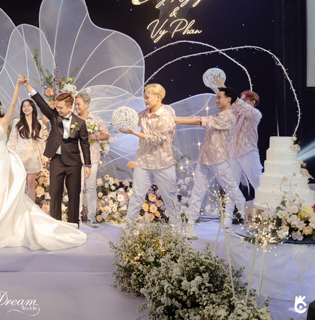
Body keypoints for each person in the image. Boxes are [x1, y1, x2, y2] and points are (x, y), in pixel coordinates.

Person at [0, 75, 86, 251]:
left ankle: (69, 224)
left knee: (17, 189)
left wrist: (19, 85)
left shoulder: (11, 120)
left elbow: (42, 138)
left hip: (21, 159)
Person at [175, 87, 246, 238]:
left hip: (218, 160)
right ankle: (190, 225)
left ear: (228, 99)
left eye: (219, 97)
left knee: (233, 190)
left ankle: (251, 221)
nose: (216, 100)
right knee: (197, 192)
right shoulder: (218, 115)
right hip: (205, 159)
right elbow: (201, 121)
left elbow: (200, 120)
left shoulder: (229, 116)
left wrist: (175, 119)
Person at [22, 79, 91, 225]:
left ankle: (73, 227)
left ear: (70, 107)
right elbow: (40, 103)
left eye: (60, 107)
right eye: (57, 107)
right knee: (54, 193)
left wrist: (88, 165)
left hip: (74, 163)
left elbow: (85, 145)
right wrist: (28, 86)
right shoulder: (54, 116)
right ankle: (56, 225)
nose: (57, 109)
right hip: (57, 161)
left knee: (74, 195)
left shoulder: (80, 123)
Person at [119, 84, 181, 229]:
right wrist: (124, 114)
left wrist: (135, 133)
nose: (145, 100)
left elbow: (156, 139)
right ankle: (129, 230)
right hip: (143, 161)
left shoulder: (166, 116)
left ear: (158, 97)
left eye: (147, 97)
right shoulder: (143, 114)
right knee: (136, 196)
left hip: (163, 163)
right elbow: (130, 122)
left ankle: (178, 231)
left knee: (170, 198)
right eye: (144, 97)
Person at [213, 77, 262, 201]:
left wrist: (224, 87)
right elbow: (228, 102)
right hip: (233, 153)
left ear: (253, 102)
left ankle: (270, 207)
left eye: (245, 100)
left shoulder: (255, 114)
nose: (241, 102)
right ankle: (229, 211)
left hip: (248, 153)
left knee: (258, 183)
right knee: (231, 186)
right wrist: (218, 89)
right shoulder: (236, 113)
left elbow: (238, 104)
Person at [74, 92, 109, 227]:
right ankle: (76, 217)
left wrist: (95, 136)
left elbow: (106, 135)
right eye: (75, 104)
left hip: (92, 157)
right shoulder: (73, 119)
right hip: (76, 157)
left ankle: (92, 216)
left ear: (86, 105)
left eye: (78, 104)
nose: (76, 107)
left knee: (91, 186)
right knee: (77, 187)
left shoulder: (95, 119)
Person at [7, 99, 47, 202]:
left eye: (28, 105)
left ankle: (31, 208)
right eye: (24, 106)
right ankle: (18, 207)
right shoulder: (17, 122)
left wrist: (42, 157)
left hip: (33, 157)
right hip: (19, 157)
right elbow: (13, 140)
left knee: (31, 184)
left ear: (33, 107)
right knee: (19, 184)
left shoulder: (38, 123)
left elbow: (40, 142)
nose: (26, 108)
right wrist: (9, 154)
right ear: (21, 109)